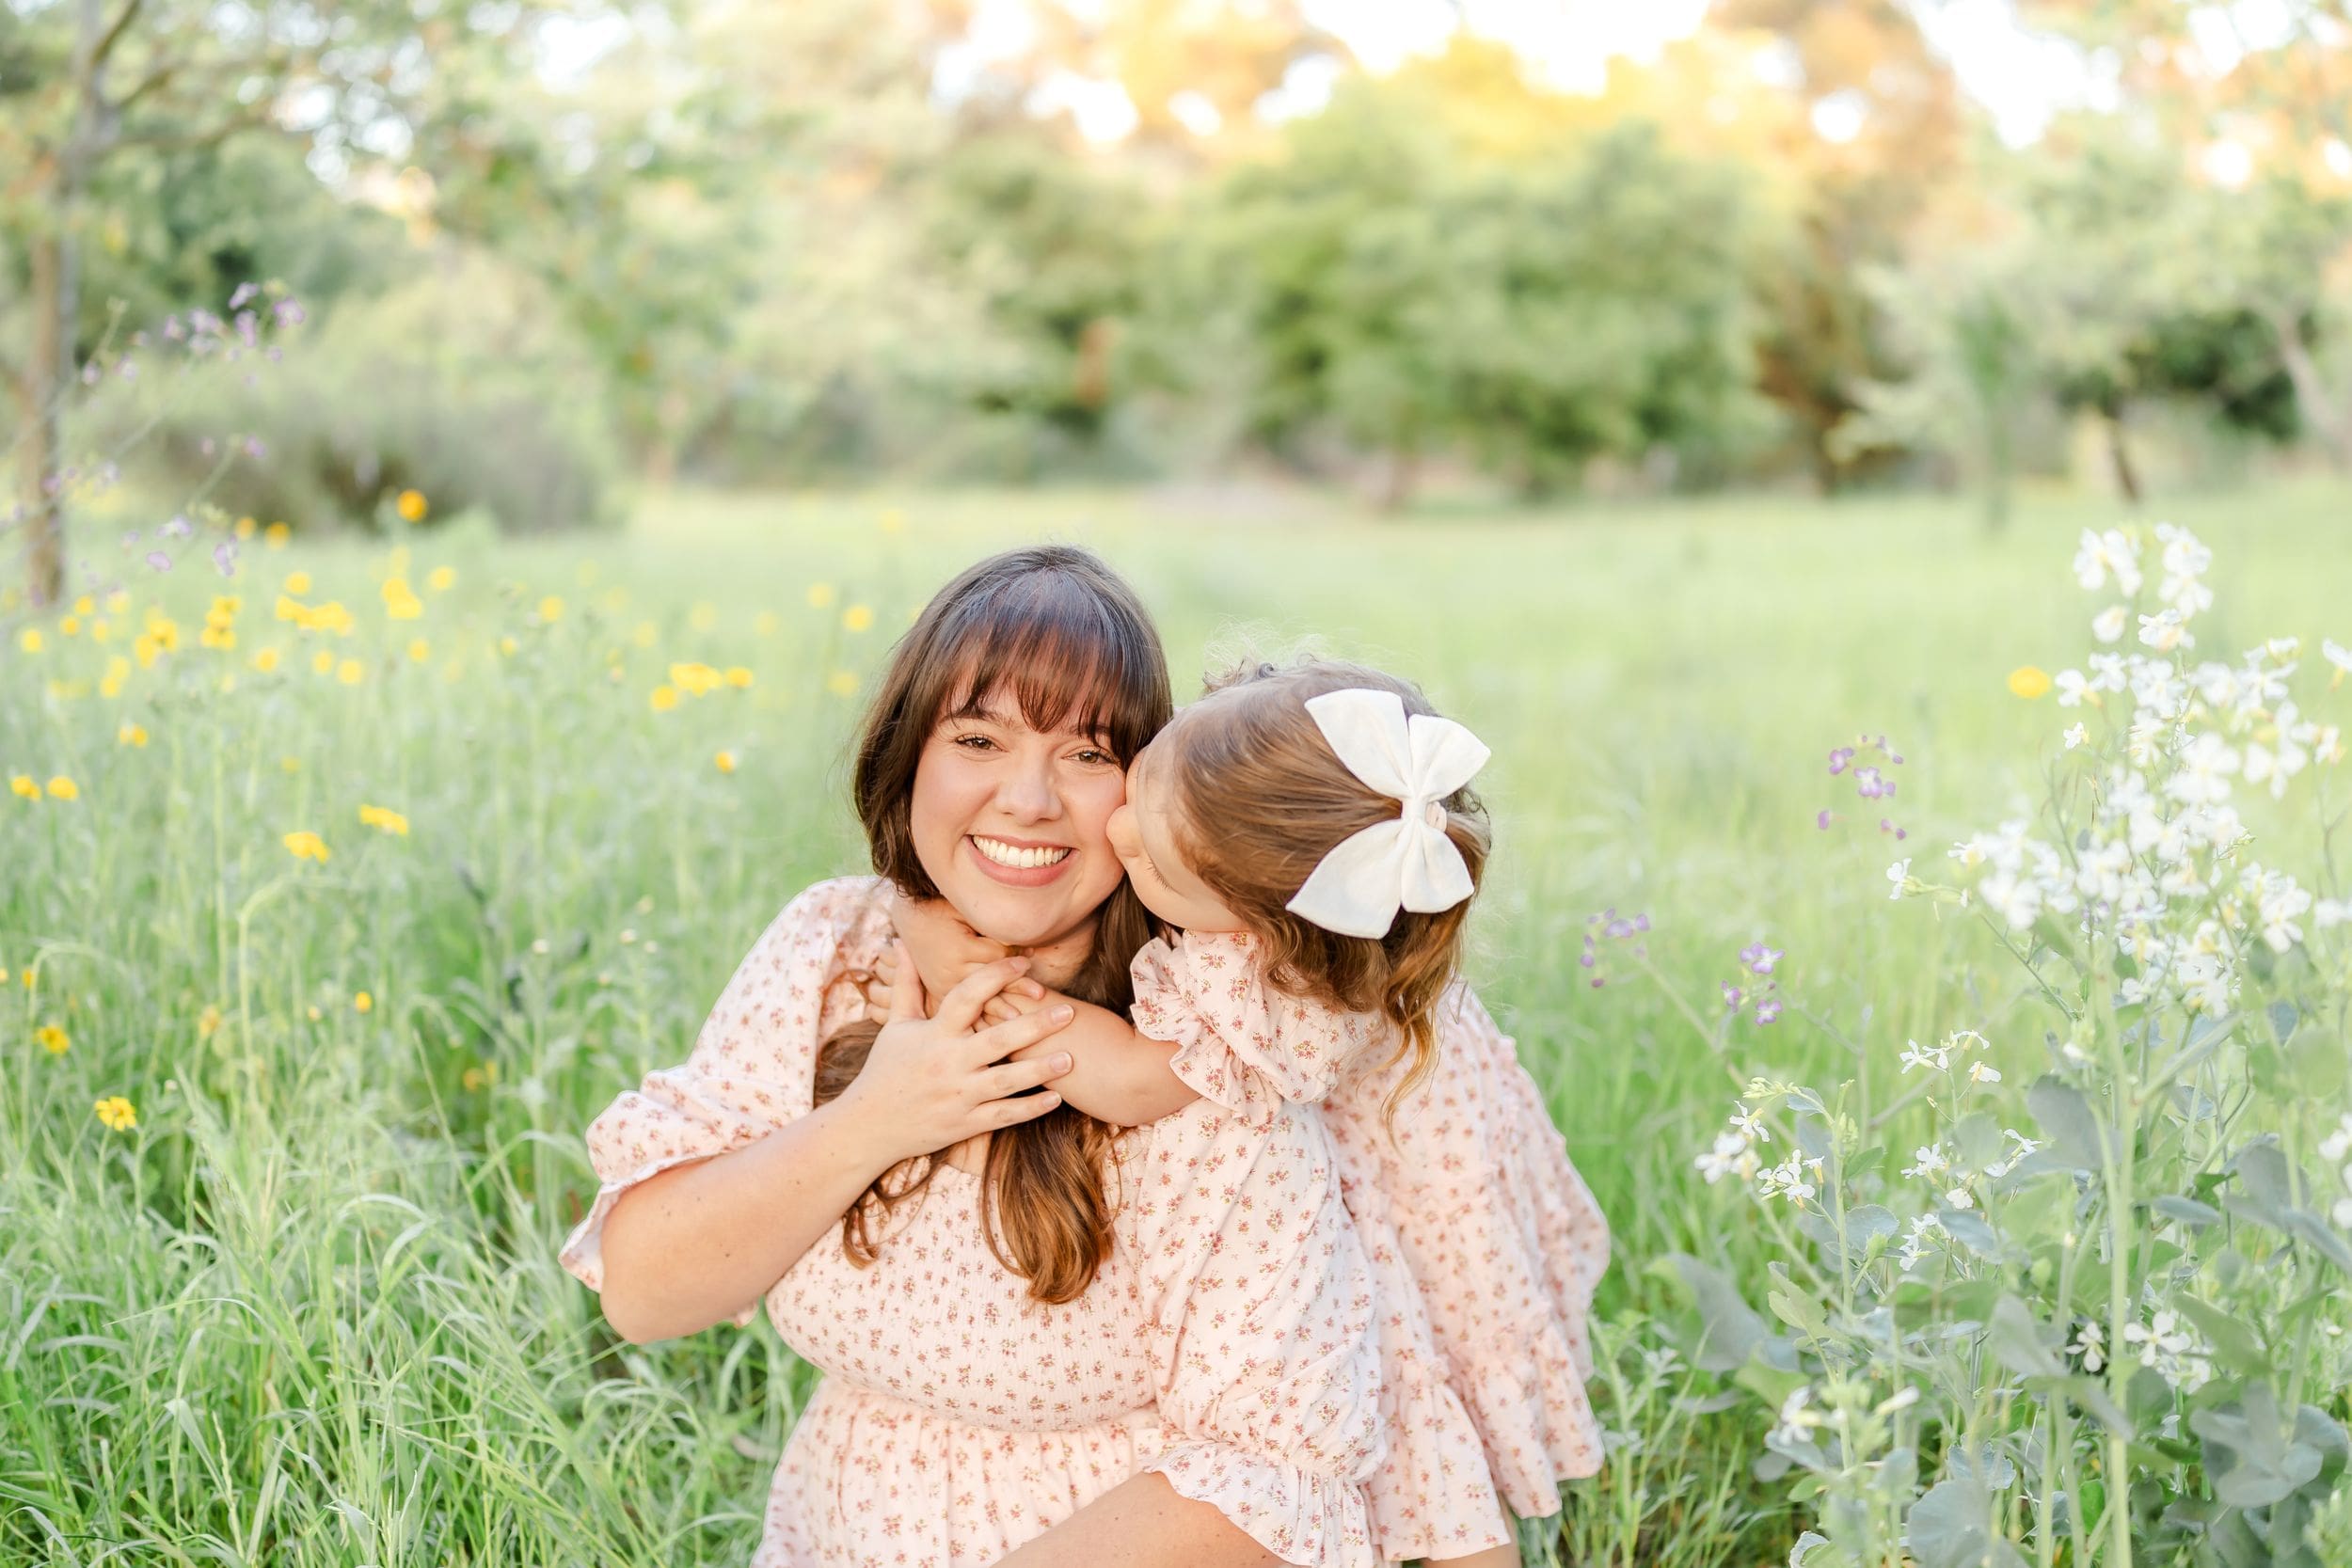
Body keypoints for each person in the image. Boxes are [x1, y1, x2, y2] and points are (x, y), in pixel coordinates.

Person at [559, 546, 1388, 1567]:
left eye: (1087, 754)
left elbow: (1272, 1479)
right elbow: (644, 1291)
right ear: (907, 754)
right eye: (978, 736)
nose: (1029, 799)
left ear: (1157, 796)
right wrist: (881, 1114)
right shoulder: (838, 950)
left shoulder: (1204, 1037)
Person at [890, 658, 1613, 1566]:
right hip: (1427, 1181)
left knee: (1420, 1433)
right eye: (1144, 780)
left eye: (1151, 859)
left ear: (1254, 922)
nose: (1117, 831)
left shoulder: (1267, 986)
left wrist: (974, 977)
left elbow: (1131, 1078)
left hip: (1376, 1220)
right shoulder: (1273, 787)